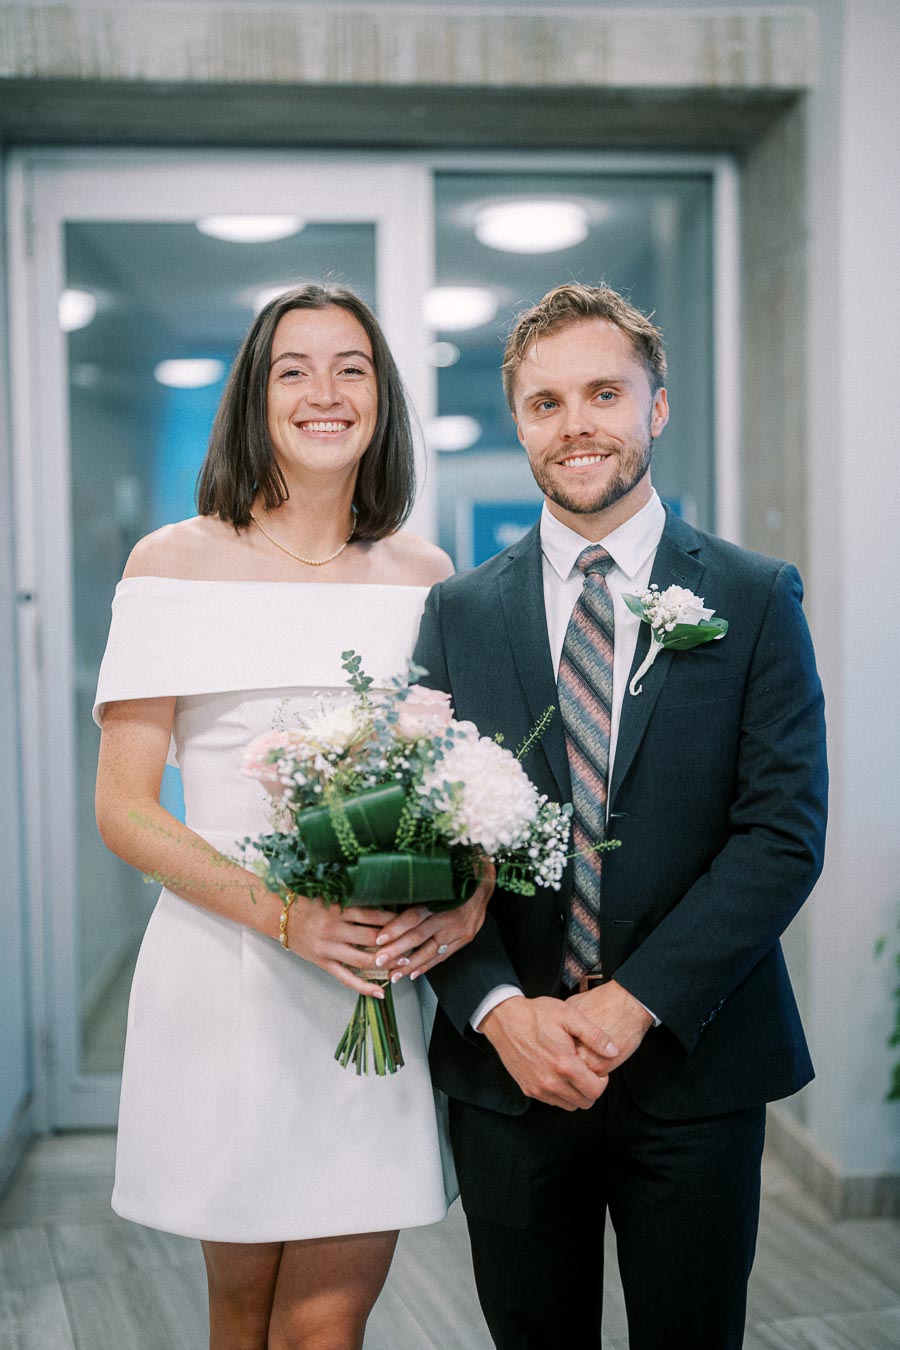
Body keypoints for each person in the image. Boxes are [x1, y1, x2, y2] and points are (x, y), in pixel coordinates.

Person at [415, 282, 828, 1349]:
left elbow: (781, 834)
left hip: (693, 1065)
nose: (576, 423)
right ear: (519, 423)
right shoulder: (458, 613)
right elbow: (418, 847)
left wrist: (631, 1003)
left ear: (656, 407)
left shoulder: (751, 595)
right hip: (510, 1071)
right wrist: (501, 1008)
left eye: (604, 391)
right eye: (546, 402)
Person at [93, 282, 492, 1350]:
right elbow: (125, 812)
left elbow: (461, 787)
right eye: (294, 369)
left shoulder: (426, 575)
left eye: (352, 367)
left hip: (369, 973)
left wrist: (459, 899)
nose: (326, 391)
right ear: (254, 399)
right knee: (242, 1313)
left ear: (382, 397)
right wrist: (287, 917)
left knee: (328, 1321)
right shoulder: (171, 564)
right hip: (229, 968)